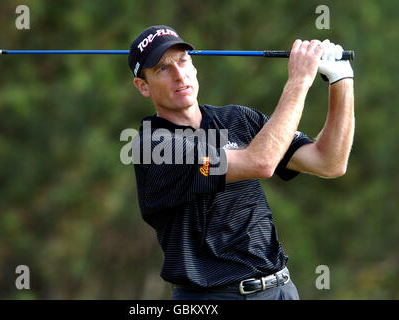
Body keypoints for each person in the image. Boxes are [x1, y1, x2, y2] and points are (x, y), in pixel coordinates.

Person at [128, 25, 354, 300]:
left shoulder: (239, 119)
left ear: (194, 66)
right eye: (163, 68)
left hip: (281, 289)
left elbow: (328, 162)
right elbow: (261, 162)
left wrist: (341, 80)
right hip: (212, 297)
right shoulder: (153, 146)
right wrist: (299, 81)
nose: (179, 75)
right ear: (143, 86)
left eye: (183, 61)